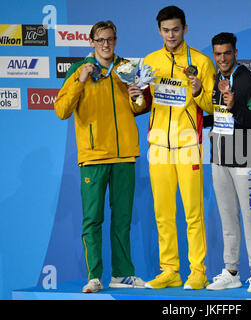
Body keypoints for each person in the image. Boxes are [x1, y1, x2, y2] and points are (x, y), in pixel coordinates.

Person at [54, 20, 146, 293]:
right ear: (91, 42)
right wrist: (80, 82)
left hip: (124, 155)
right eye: (101, 39)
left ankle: (122, 274)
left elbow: (139, 107)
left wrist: (136, 97)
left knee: (122, 219)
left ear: (116, 40)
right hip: (93, 156)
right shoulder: (78, 70)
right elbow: (61, 110)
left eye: (111, 39)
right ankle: (94, 275)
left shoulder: (127, 68)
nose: (106, 44)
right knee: (92, 219)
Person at [141, 6, 216, 290]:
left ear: (185, 28)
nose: (171, 35)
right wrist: (137, 96)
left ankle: (198, 270)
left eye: (175, 29)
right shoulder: (150, 61)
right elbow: (142, 103)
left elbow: (210, 105)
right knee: (163, 213)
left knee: (193, 213)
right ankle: (170, 270)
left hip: (188, 145)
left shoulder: (200, 61)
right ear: (159, 31)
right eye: (165, 30)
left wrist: (197, 91)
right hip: (158, 145)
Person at [204, 32, 251, 292]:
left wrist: (237, 109)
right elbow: (219, 119)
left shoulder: (249, 82)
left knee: (250, 215)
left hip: (244, 159)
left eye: (227, 53)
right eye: (218, 54)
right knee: (227, 217)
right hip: (219, 157)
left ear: (235, 53)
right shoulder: (216, 80)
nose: (222, 58)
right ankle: (231, 271)